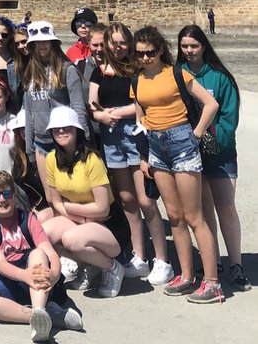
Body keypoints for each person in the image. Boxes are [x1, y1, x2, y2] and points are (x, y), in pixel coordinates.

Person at [132, 25, 222, 303]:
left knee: (195, 216)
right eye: (140, 54)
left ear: (160, 50)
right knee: (175, 216)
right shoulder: (137, 81)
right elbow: (140, 119)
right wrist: (144, 156)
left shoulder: (176, 73)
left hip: (182, 141)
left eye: (150, 52)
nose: (145, 58)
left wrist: (195, 135)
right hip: (157, 147)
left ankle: (212, 282)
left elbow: (211, 104)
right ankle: (186, 275)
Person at [89, 23, 172, 284]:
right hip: (111, 139)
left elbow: (142, 103)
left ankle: (163, 260)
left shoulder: (137, 70)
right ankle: (139, 255)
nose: (117, 46)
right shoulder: (99, 71)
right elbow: (92, 104)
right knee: (126, 200)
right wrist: (101, 114)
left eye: (122, 41)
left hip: (135, 136)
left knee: (146, 200)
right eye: (112, 42)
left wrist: (117, 113)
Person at [177, 24, 250, 291]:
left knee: (226, 207)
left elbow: (229, 119)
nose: (189, 51)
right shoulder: (179, 74)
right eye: (184, 46)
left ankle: (236, 263)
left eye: (193, 46)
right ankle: (214, 260)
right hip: (189, 153)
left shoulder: (221, 78)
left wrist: (212, 141)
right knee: (204, 210)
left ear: (203, 46)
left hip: (220, 153)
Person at [0, 169, 78, 343]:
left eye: (7, 193)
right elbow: (0, 264)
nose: (2, 200)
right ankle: (43, 317)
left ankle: (39, 309)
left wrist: (54, 274)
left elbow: (50, 252)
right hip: (11, 278)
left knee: (38, 253)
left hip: (38, 279)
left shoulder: (28, 219)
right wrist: (24, 276)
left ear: (14, 195)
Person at [40, 106, 126, 297]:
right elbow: (54, 201)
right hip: (81, 219)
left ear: (77, 129)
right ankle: (88, 263)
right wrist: (81, 218)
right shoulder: (52, 158)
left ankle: (112, 268)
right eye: (56, 129)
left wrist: (68, 207)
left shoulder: (92, 159)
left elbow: (102, 209)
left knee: (72, 239)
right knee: (42, 233)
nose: (61, 132)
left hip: (109, 225)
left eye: (66, 127)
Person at [21, 20, 89, 192]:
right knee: (52, 197)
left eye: (45, 40)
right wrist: (29, 148)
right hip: (41, 145)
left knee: (72, 194)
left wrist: (83, 141)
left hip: (65, 142)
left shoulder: (67, 69)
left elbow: (78, 107)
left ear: (53, 42)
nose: (41, 45)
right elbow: (29, 112)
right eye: (36, 42)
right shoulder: (30, 72)